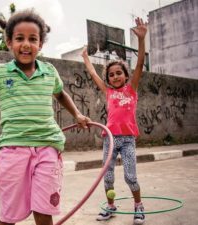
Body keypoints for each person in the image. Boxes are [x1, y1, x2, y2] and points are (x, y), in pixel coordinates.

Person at [0, 9, 90, 225]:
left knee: (43, 210)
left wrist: (77, 113)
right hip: (13, 149)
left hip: (47, 147)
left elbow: (61, 94)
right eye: (19, 38)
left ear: (40, 44)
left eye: (33, 39)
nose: (26, 44)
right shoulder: (0, 73)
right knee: (8, 217)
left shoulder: (50, 72)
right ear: (9, 42)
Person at [82, 17, 147, 225]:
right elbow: (93, 73)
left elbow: (139, 64)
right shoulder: (108, 91)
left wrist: (142, 39)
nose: (115, 76)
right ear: (108, 79)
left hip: (127, 140)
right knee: (107, 177)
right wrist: (85, 57)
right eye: (111, 75)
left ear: (126, 76)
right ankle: (110, 207)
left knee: (130, 176)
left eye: (119, 73)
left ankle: (138, 206)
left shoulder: (132, 89)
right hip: (110, 139)